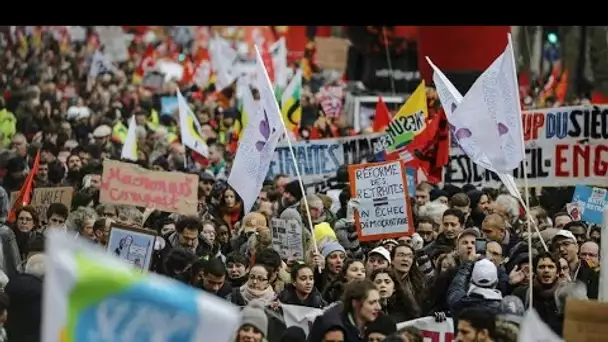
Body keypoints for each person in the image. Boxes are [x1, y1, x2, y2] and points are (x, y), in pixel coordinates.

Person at [308, 279, 382, 342]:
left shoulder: (379, 322)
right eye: (372, 303)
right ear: (355, 303)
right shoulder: (334, 329)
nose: (378, 307)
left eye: (378, 301)